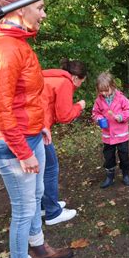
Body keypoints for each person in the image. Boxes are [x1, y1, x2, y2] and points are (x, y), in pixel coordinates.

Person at [0, 0, 72, 258]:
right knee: (23, 207)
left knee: (37, 195)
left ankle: (39, 247)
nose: (44, 14)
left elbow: (28, 97)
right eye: (40, 7)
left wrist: (41, 125)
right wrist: (22, 151)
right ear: (20, 10)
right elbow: (3, 108)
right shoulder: (4, 49)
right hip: (8, 143)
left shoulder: (18, 42)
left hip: (29, 134)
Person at [40, 58, 87, 225]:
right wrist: (79, 106)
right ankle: (53, 212)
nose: (79, 85)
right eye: (82, 81)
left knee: (41, 168)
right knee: (51, 168)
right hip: (37, 128)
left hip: (32, 125)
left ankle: (43, 206)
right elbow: (64, 116)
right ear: (76, 78)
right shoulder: (64, 83)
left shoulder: (49, 77)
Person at [92, 72, 129, 188]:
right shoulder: (99, 101)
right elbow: (95, 113)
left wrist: (121, 117)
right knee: (108, 156)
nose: (104, 93)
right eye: (101, 91)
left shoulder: (121, 98)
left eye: (106, 90)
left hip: (121, 135)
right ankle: (110, 176)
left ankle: (126, 174)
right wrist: (99, 119)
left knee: (124, 156)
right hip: (108, 136)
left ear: (113, 86)